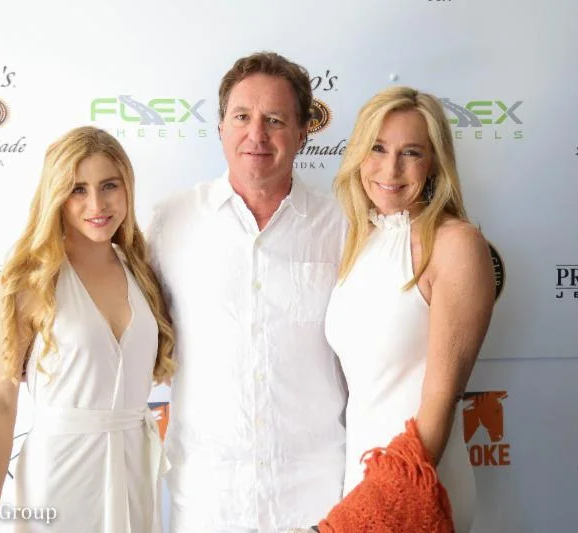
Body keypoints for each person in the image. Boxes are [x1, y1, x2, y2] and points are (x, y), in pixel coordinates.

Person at [148, 52, 348, 532]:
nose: (256, 134)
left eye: (274, 120)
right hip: (208, 504)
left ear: (303, 133)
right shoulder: (169, 221)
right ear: (220, 127)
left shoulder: (343, 226)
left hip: (317, 501)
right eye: (242, 117)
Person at [0, 126, 176, 533]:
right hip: (60, 476)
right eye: (78, 189)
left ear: (127, 188)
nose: (97, 204)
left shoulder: (142, 271)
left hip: (134, 469)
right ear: (56, 195)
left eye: (109, 185)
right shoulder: (28, 280)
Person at [323, 86, 496, 532]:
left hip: (418, 483)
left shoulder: (457, 245)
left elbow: (439, 400)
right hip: (361, 482)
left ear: (434, 162)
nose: (391, 169)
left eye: (411, 153)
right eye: (378, 148)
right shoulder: (357, 241)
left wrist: (371, 513)